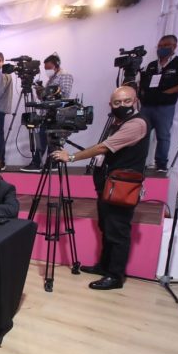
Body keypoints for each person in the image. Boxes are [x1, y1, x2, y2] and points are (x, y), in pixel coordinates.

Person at [51, 86, 150, 290]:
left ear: (136, 101)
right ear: (110, 105)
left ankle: (115, 276)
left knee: (118, 231)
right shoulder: (119, 122)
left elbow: (104, 147)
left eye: (126, 101)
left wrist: (70, 157)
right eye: (117, 103)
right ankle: (104, 267)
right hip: (109, 184)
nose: (122, 105)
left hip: (122, 187)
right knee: (107, 228)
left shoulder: (137, 124)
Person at [139, 34, 178, 173]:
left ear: (174, 46)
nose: (162, 48)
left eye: (166, 45)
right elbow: (141, 83)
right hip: (146, 106)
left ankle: (161, 165)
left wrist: (169, 92)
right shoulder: (151, 65)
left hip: (165, 106)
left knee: (163, 136)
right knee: (140, 135)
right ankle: (138, 163)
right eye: (160, 46)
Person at [22, 54, 75, 172]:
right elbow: (44, 99)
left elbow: (64, 94)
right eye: (45, 68)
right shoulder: (52, 78)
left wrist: (46, 92)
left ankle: (50, 163)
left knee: (51, 138)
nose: (47, 71)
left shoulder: (65, 75)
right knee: (43, 138)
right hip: (47, 112)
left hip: (57, 113)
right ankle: (44, 162)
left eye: (49, 68)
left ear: (56, 66)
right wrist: (40, 91)